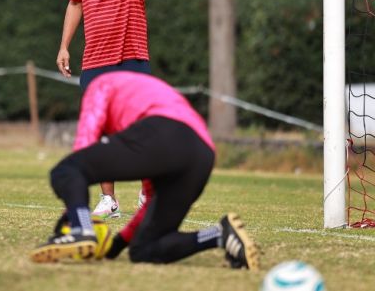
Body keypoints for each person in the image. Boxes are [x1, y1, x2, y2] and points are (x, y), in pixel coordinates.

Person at [29, 71, 259, 270]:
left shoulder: (98, 86)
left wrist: (73, 213)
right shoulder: (141, 90)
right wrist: (115, 246)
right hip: (202, 154)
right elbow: (150, 197)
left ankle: (81, 229)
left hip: (162, 130)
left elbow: (83, 148)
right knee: (145, 249)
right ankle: (220, 235)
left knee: (65, 169)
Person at [56, 0, 154, 219]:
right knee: (98, 129)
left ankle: (147, 193)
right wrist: (64, 46)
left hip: (131, 54)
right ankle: (108, 200)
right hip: (94, 60)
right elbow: (75, 4)